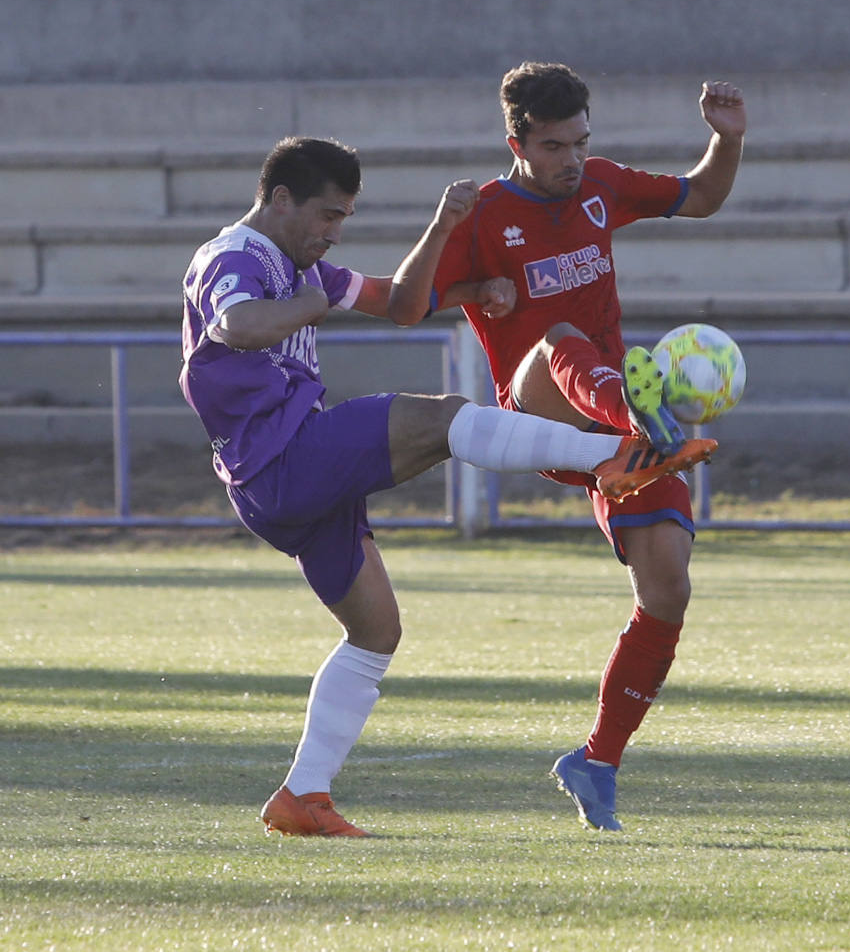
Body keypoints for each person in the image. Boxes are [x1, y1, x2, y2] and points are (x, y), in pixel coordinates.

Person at [178, 135, 714, 838]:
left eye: (342, 219)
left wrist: (458, 266)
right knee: (440, 419)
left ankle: (302, 796)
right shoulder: (235, 256)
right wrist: (312, 303)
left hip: (281, 480)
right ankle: (613, 452)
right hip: (282, 455)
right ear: (280, 199)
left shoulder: (305, 262)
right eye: (326, 217)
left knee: (375, 632)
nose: (333, 233)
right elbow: (236, 323)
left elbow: (399, 302)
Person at [387, 63, 747, 831]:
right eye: (554, 146)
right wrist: (464, 274)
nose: (572, 159)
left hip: (613, 435)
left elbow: (704, 195)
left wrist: (726, 140)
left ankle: (595, 762)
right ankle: (638, 414)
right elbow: (405, 305)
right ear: (515, 141)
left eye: (580, 141)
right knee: (559, 337)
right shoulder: (482, 214)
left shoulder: (602, 187)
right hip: (541, 411)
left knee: (668, 591)